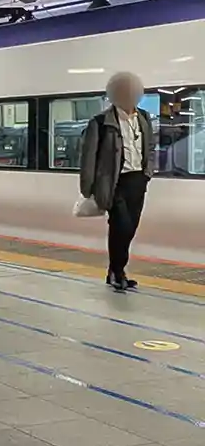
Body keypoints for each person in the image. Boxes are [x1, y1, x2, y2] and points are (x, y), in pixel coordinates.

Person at [80, 71, 154, 291]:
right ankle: (117, 271)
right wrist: (88, 189)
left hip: (137, 181)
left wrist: (147, 173)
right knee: (120, 226)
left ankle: (116, 270)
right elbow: (88, 157)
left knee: (130, 227)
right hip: (114, 183)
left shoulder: (144, 118)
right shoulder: (101, 122)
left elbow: (149, 146)